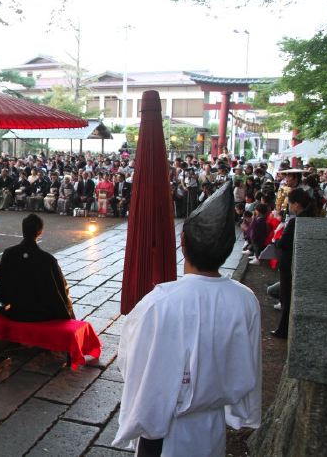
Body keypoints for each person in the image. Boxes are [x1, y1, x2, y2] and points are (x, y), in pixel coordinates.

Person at [113, 181, 261, 456]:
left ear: (183, 243)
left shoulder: (160, 302)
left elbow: (131, 362)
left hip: (163, 430)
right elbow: (247, 362)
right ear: (229, 247)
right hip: (212, 427)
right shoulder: (246, 300)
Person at [0, 214, 75, 321]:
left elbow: (1, 285)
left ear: (23, 230)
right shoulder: (47, 259)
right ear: (40, 232)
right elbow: (58, 290)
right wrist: (67, 312)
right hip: (40, 314)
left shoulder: (8, 253)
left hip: (14, 311)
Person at [271, 188, 315, 338]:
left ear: (296, 204)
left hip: (288, 262)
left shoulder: (296, 222)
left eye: (289, 203)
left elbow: (283, 243)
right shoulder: (312, 217)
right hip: (299, 262)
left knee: (286, 296)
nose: (288, 206)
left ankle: (283, 329)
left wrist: (276, 240)